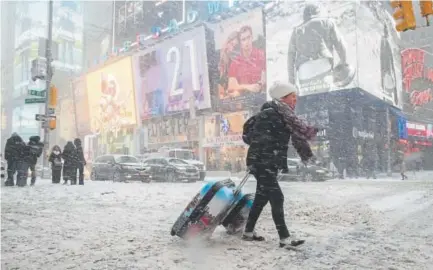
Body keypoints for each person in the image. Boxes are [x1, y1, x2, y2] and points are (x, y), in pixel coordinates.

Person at [242, 82, 318, 248]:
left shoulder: (283, 115)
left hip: (268, 162)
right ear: (283, 97)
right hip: (263, 163)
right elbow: (258, 141)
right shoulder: (269, 114)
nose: (295, 100)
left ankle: (248, 232)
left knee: (261, 198)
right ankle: (284, 238)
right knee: (277, 197)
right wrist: (257, 162)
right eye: (293, 97)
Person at [287, 3, 354, 95]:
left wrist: (292, 82)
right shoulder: (328, 22)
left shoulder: (297, 30)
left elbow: (291, 57)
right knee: (325, 101)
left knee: (310, 102)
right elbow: (340, 44)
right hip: (323, 65)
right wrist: (343, 61)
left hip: (304, 71)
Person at [227, 25, 266, 96]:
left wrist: (260, 84)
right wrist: (248, 87)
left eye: (248, 37)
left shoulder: (261, 55)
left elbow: (265, 78)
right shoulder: (235, 62)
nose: (247, 42)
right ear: (240, 43)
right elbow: (231, 86)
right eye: (243, 39)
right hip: (244, 101)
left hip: (261, 97)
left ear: (252, 37)